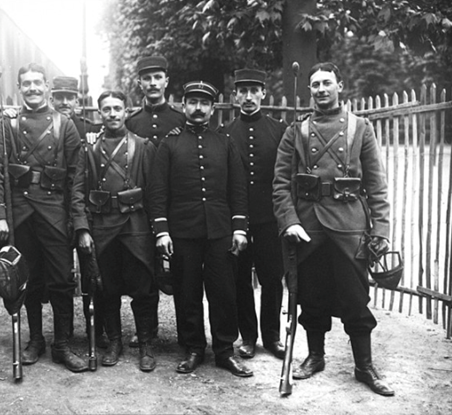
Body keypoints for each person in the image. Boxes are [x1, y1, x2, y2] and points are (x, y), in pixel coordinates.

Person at [272, 62, 394, 396]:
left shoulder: (360, 128)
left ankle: (364, 365)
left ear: (340, 85)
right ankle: (315, 356)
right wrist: (290, 221)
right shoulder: (295, 131)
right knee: (310, 296)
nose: (321, 89)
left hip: (349, 225)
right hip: (308, 227)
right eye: (315, 85)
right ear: (309, 90)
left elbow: (377, 186)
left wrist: (380, 230)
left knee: (356, 298)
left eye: (327, 83)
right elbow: (281, 184)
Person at [0, 63, 89, 372]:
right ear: (19, 87)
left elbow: (76, 175)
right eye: (26, 83)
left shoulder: (64, 124)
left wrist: (77, 219)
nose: (32, 88)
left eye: (37, 83)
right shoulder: (8, 125)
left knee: (62, 280)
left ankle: (62, 345)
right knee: (26, 279)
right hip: (21, 211)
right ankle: (35, 340)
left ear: (46, 88)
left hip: (55, 212)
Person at [147, 80, 253, 377]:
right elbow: (158, 192)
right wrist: (162, 231)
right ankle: (193, 347)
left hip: (220, 230)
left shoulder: (224, 142)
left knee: (224, 292)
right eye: (192, 102)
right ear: (183, 105)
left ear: (212, 108)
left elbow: (238, 190)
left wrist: (240, 228)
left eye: (204, 103)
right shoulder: (170, 144)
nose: (198, 108)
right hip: (182, 230)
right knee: (187, 291)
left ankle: (224, 351)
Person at [78, 90, 158, 372]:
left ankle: (146, 343)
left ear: (127, 111)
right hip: (102, 226)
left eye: (117, 108)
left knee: (143, 287)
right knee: (105, 287)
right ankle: (114, 341)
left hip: (135, 226)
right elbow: (78, 191)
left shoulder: (143, 146)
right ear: (98, 113)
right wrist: (82, 229)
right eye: (106, 109)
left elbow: (154, 193)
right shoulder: (88, 149)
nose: (112, 114)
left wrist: (157, 230)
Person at [218, 69, 287, 360]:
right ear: (234, 95)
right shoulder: (224, 133)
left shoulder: (280, 129)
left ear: (263, 93)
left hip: (270, 218)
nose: (248, 97)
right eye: (242, 91)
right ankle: (248, 336)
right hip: (238, 220)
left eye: (253, 91)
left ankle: (272, 337)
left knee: (273, 277)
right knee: (240, 279)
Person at [124, 55, 186, 348]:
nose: (152, 83)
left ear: (166, 81)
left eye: (157, 77)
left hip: (177, 203)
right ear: (140, 83)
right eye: (146, 78)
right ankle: (145, 328)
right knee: (143, 267)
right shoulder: (131, 122)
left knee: (181, 267)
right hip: (142, 205)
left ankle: (187, 331)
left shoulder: (181, 120)